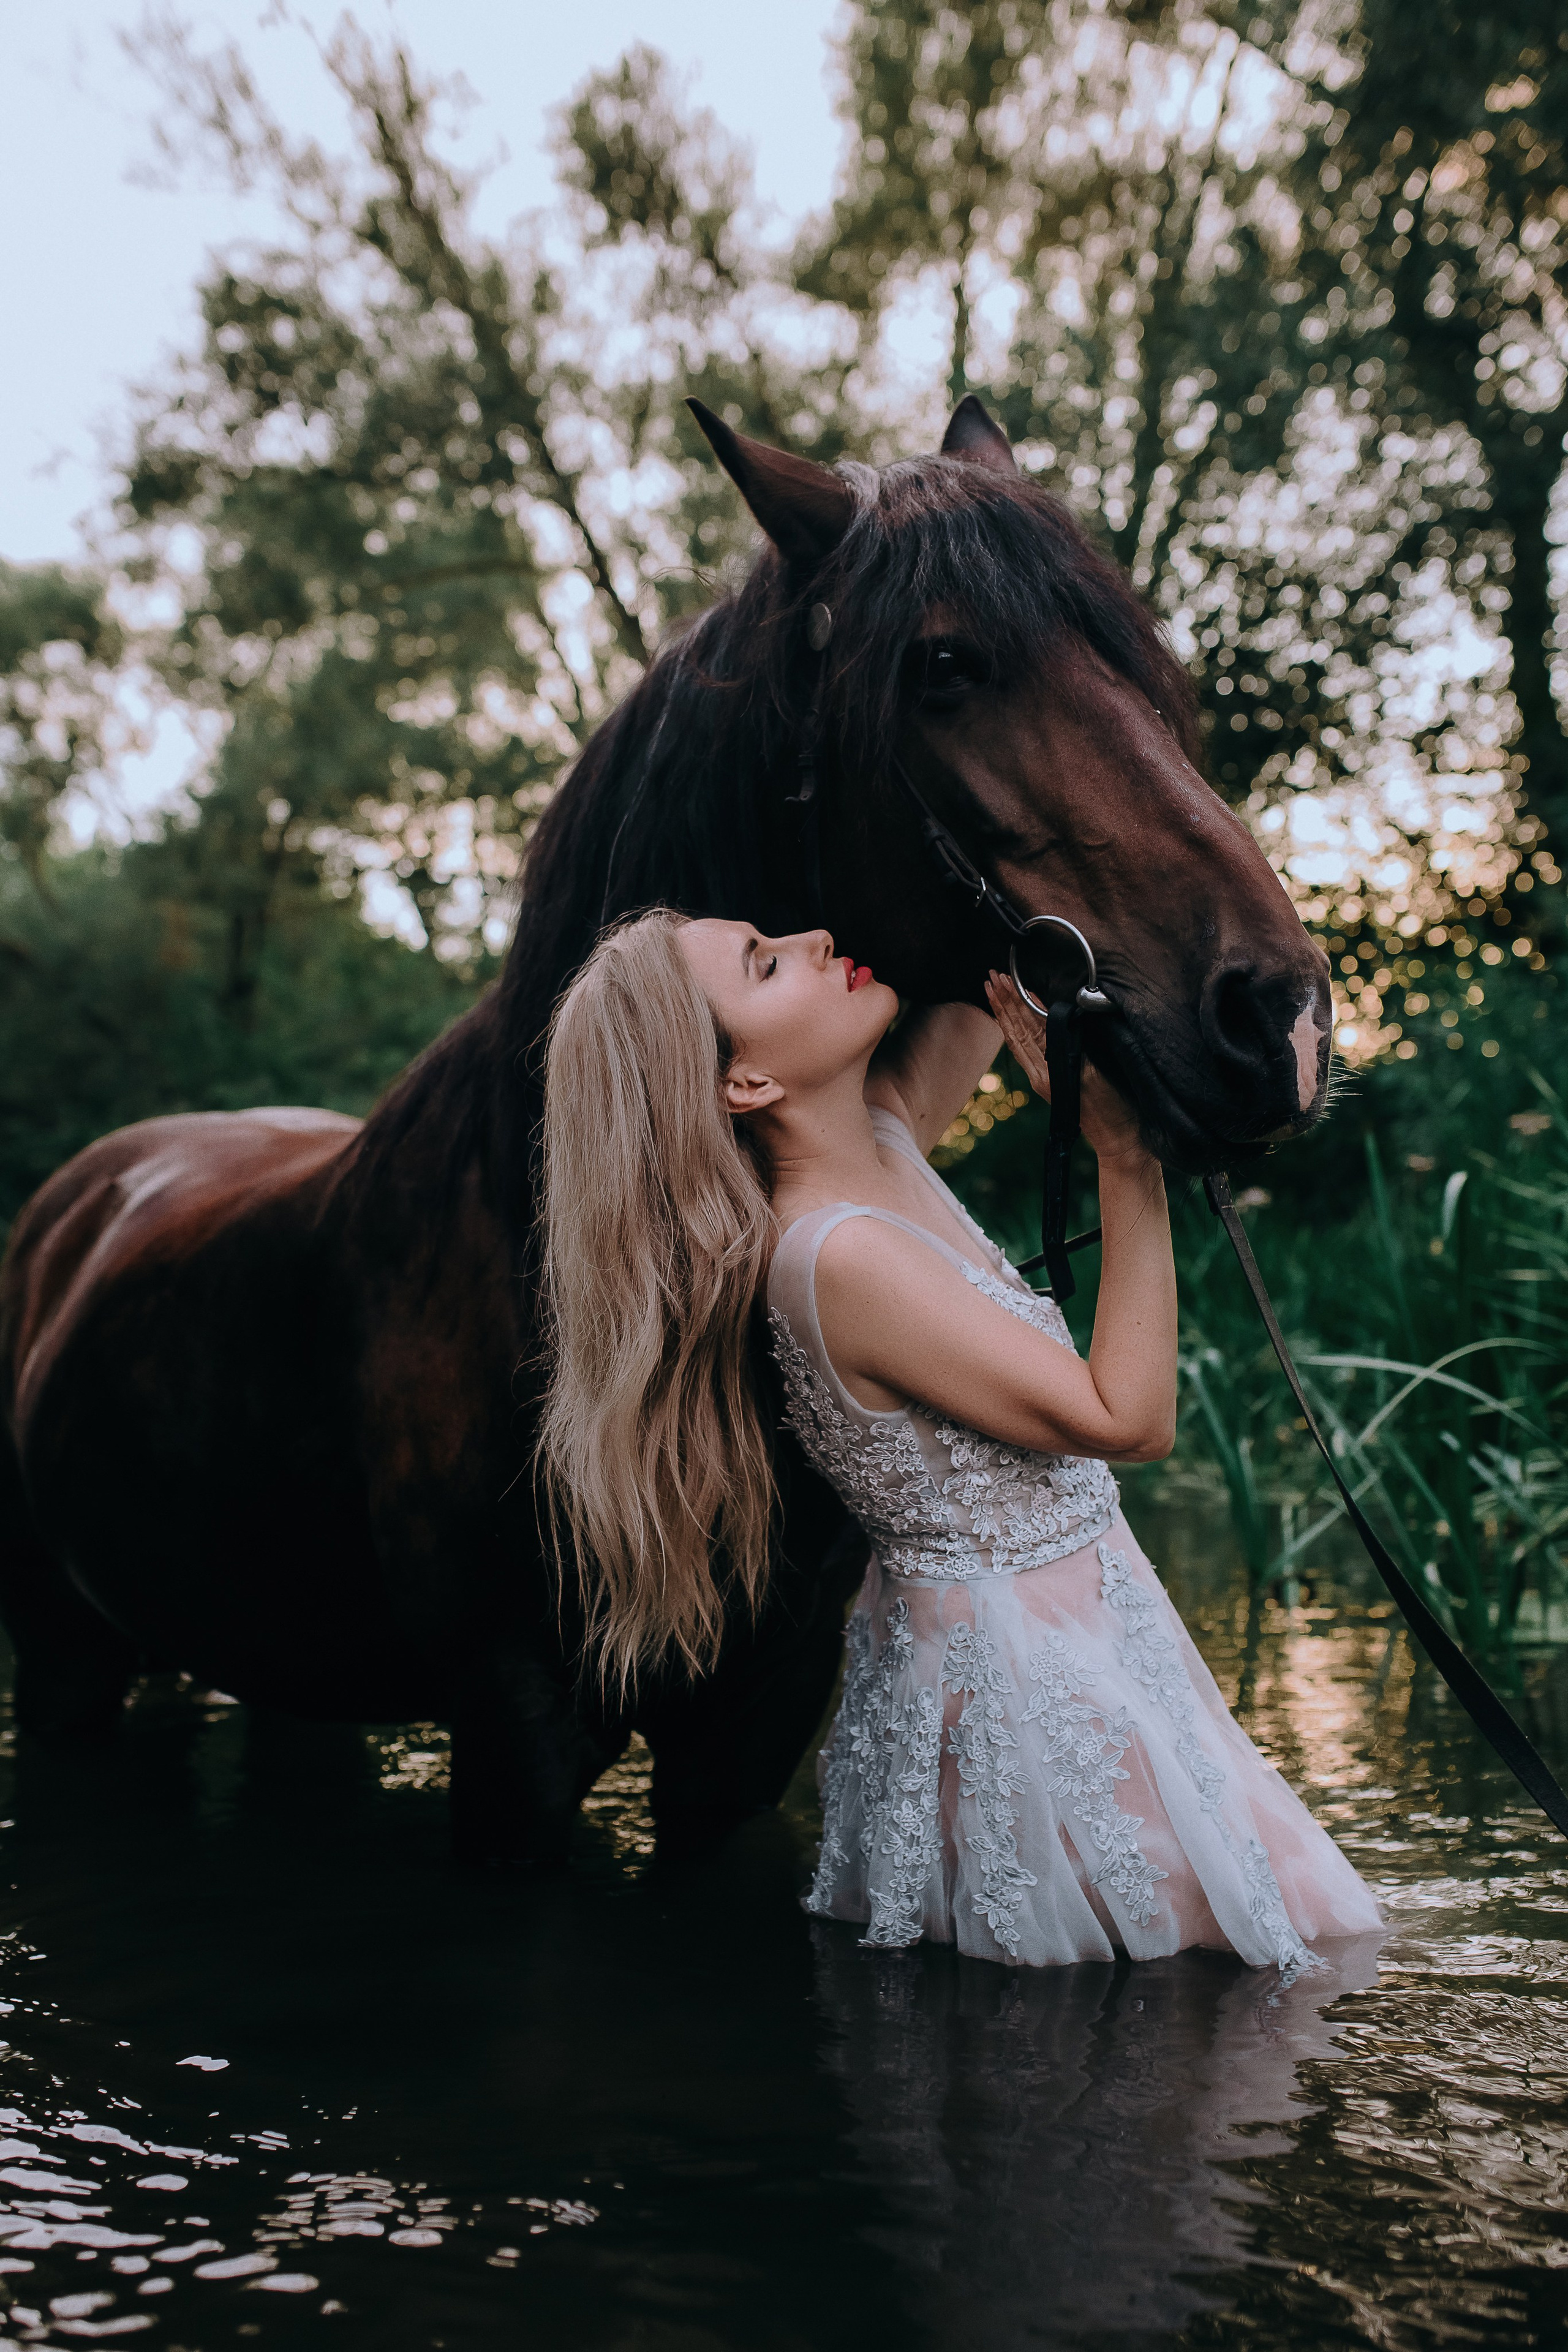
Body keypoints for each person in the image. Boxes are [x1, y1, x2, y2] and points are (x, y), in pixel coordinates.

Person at [539, 908, 1382, 1976]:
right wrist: (1125, 1156)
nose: (810, 938)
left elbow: (997, 931)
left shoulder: (880, 1138)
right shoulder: (835, 1257)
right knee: (1172, 2013)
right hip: (1034, 1695)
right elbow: (1132, 1419)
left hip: (1087, 1641)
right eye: (765, 963)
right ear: (743, 1083)